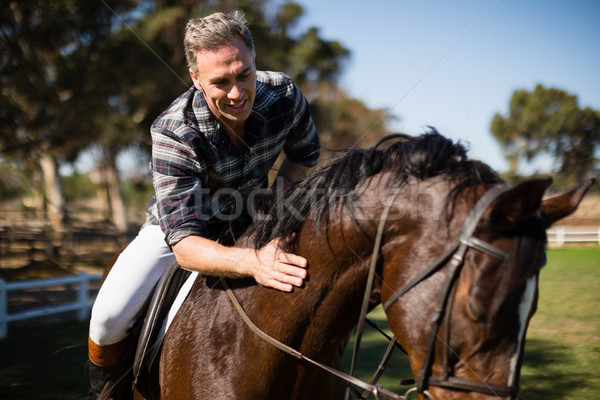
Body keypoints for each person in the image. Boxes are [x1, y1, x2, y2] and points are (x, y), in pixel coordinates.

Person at [87, 10, 320, 397]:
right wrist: (254, 261)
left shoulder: (284, 93)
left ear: (254, 58)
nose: (236, 93)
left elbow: (304, 154)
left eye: (244, 74)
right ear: (196, 78)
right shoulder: (172, 130)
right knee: (107, 316)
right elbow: (184, 246)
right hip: (177, 230)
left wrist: (277, 210)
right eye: (220, 82)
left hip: (254, 216)